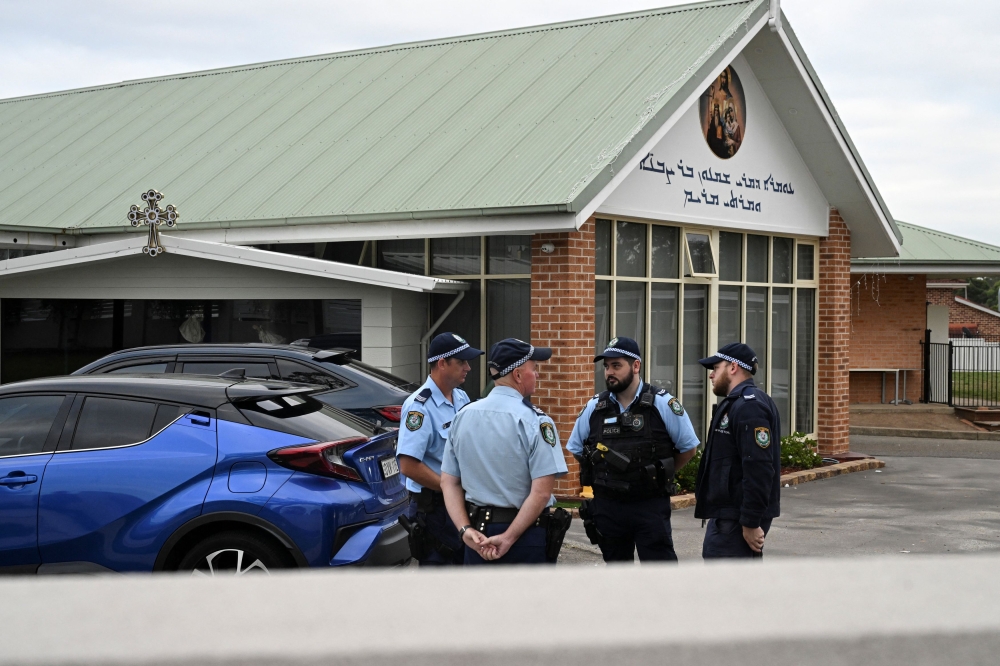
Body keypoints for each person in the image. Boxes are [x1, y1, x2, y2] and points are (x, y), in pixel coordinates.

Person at [566, 336, 700, 563]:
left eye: (617, 365)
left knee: (660, 573)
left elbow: (689, 449)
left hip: (649, 504)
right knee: (618, 577)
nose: (609, 372)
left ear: (636, 366)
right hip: (609, 506)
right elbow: (576, 448)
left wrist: (659, 472)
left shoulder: (662, 403)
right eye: (607, 366)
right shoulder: (594, 407)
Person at [440, 338, 571, 565]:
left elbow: (448, 482)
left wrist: (464, 530)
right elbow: (541, 493)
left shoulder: (463, 415)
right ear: (518, 375)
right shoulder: (535, 421)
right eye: (534, 369)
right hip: (524, 535)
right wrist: (509, 538)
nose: (537, 375)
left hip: (477, 536)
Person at [396, 332, 483, 566]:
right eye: (462, 362)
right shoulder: (419, 407)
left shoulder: (461, 397)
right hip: (435, 509)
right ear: (442, 363)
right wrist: (450, 489)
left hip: (459, 503)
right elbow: (408, 465)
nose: (468, 368)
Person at [694, 342, 781, 559]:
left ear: (733, 368)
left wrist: (751, 522)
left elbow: (759, 468)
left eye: (716, 368)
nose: (711, 375)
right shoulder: (736, 403)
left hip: (736, 518)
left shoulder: (749, 406)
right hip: (729, 515)